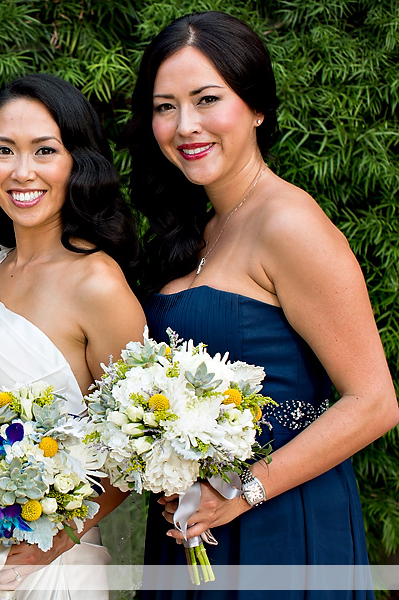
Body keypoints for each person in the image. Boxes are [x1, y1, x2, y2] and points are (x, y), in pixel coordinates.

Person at [122, 11, 399, 599]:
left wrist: (241, 488)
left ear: (256, 106)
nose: (184, 125)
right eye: (164, 106)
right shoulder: (194, 228)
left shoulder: (289, 223)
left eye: (206, 100)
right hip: (196, 524)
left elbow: (374, 402)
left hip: (280, 524)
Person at [0, 73, 147, 599]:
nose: (22, 171)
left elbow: (141, 442)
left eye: (45, 150)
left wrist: (54, 539)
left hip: (54, 567)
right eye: (3, 150)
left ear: (77, 161)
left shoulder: (97, 283)